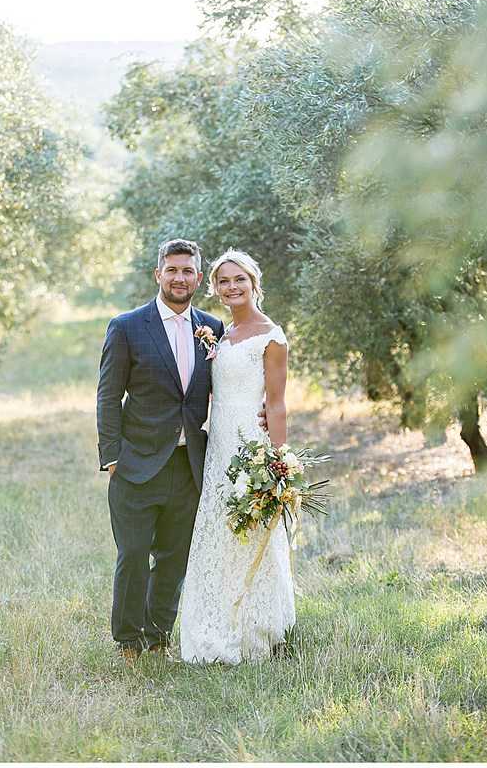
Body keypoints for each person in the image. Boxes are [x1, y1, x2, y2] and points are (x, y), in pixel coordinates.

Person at [97, 238, 244, 663]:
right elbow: (108, 396)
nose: (180, 278)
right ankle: (128, 640)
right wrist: (112, 457)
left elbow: (225, 391)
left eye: (188, 271)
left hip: (189, 465)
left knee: (174, 557)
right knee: (132, 556)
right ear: (158, 274)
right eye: (172, 270)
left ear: (199, 278)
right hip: (136, 463)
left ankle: (159, 634)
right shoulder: (126, 326)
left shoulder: (212, 329)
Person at [179, 248, 295, 664]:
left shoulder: (271, 336)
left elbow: (277, 404)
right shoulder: (221, 335)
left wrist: (278, 464)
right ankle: (215, 625)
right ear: (215, 288)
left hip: (251, 448)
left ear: (253, 282)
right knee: (220, 532)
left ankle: (258, 631)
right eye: (223, 282)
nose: (231, 287)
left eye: (238, 280)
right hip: (218, 449)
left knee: (253, 531)